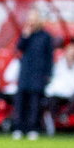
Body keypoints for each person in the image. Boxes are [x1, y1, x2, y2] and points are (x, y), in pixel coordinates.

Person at [14, 12, 53, 140]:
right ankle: (19, 128)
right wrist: (25, 36)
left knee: (35, 103)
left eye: (34, 20)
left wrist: (48, 74)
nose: (31, 22)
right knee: (21, 102)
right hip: (25, 73)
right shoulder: (26, 35)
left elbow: (49, 57)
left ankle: (33, 128)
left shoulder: (46, 37)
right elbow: (19, 48)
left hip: (38, 74)